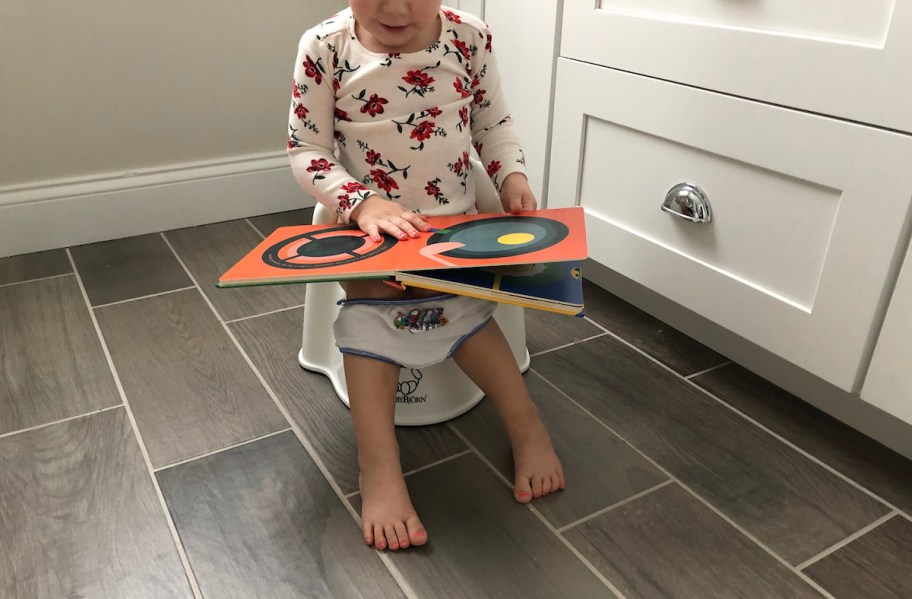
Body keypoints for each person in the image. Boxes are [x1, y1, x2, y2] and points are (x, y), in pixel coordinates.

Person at [287, 0, 564, 551]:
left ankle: (526, 424)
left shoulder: (469, 36)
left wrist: (512, 177)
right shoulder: (325, 46)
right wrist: (361, 204)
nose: (395, 8)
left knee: (461, 307)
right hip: (366, 231)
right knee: (368, 319)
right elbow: (308, 151)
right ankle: (379, 467)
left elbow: (492, 122)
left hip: (453, 230)